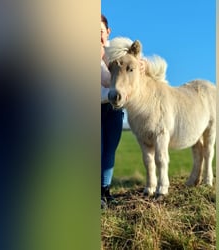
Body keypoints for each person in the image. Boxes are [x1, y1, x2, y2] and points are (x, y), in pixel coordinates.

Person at [101, 14, 123, 209]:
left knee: (109, 150)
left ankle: (105, 192)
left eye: (100, 31)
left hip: (114, 108)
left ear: (108, 31)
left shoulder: (117, 50)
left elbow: (138, 61)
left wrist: (143, 65)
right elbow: (106, 80)